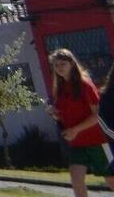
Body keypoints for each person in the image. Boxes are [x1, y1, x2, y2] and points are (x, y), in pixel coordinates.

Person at [47, 49, 114, 197]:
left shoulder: (85, 85)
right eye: (56, 65)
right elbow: (65, 117)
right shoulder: (59, 89)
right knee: (76, 180)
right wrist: (55, 114)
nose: (59, 68)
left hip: (98, 141)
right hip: (77, 143)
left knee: (110, 180)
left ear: (72, 63)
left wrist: (76, 129)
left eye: (63, 64)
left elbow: (97, 116)